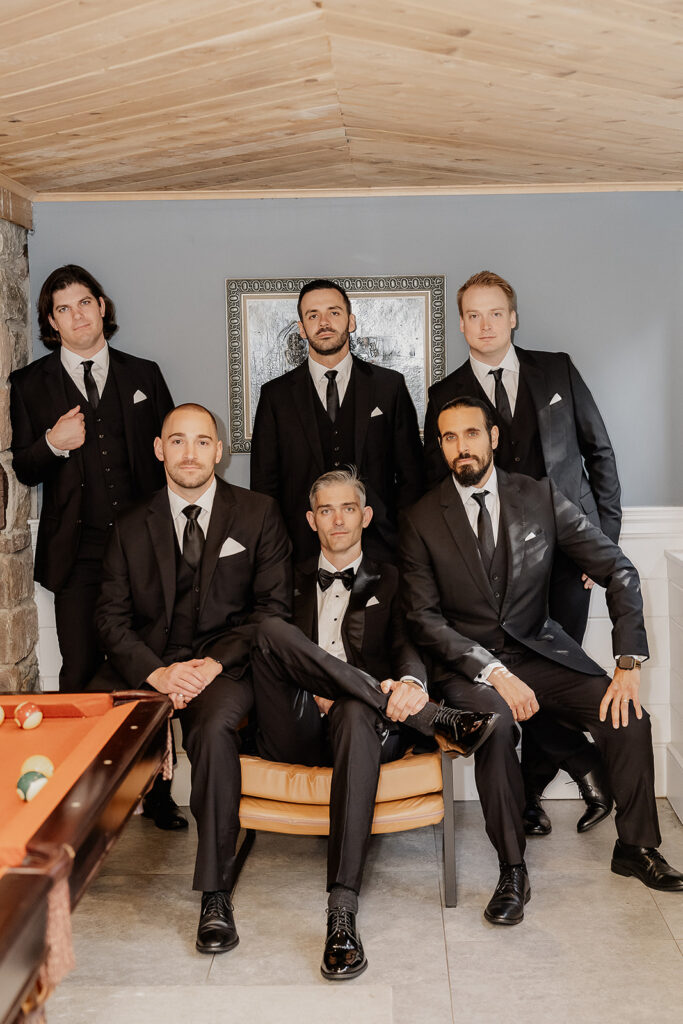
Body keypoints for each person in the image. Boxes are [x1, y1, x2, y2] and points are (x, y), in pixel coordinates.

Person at [401, 397, 683, 925]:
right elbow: (423, 618)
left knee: (628, 716)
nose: (462, 447)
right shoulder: (420, 518)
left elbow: (619, 569)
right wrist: (492, 671)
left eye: (471, 433)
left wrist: (628, 660)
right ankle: (513, 870)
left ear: (493, 437)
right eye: (449, 438)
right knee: (494, 729)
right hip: (469, 668)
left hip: (539, 649)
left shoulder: (540, 495)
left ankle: (636, 847)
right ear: (439, 446)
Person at [251, 467, 496, 979]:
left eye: (347, 508)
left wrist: (409, 684)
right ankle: (437, 720)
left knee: (356, 709)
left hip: (364, 729)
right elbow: (272, 651)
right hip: (296, 722)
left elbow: (410, 645)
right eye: (325, 510)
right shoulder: (286, 576)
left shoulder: (394, 577)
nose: (337, 520)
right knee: (268, 628)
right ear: (311, 520)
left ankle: (341, 913)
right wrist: (323, 687)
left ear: (365, 516)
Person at [423, 270, 619, 836]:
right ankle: (582, 764)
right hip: (489, 566)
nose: (485, 325)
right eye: (473, 315)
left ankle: (532, 793)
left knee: (555, 673)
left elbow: (599, 452)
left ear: (512, 317)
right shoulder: (442, 394)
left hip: (568, 557)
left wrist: (602, 544)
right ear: (461, 324)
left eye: (495, 313)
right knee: (509, 676)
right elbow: (438, 483)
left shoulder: (557, 369)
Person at [94, 403, 292, 953]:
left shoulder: (258, 513)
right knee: (89, 718)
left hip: (224, 665)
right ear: (160, 449)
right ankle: (54, 873)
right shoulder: (130, 525)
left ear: (219, 451)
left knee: (214, 729)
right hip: (152, 663)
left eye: (202, 441)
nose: (189, 453)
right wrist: (157, 672)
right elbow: (109, 619)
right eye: (177, 441)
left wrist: (212, 665)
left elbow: (272, 611)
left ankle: (215, 891)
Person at [10, 264, 174, 694]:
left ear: (101, 306)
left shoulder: (145, 375)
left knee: (148, 666)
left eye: (84, 302)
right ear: (52, 321)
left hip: (145, 544)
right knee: (79, 669)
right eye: (63, 309)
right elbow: (24, 468)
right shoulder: (28, 385)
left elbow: (172, 454)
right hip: (76, 552)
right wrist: (53, 443)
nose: (77, 315)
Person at [250, 279, 424, 563]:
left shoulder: (388, 386)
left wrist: (403, 539)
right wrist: (276, 549)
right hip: (299, 554)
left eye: (334, 312)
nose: (324, 322)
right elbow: (264, 485)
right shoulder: (275, 396)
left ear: (351, 321)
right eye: (313, 315)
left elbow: (411, 474)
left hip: (382, 547)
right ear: (302, 329)